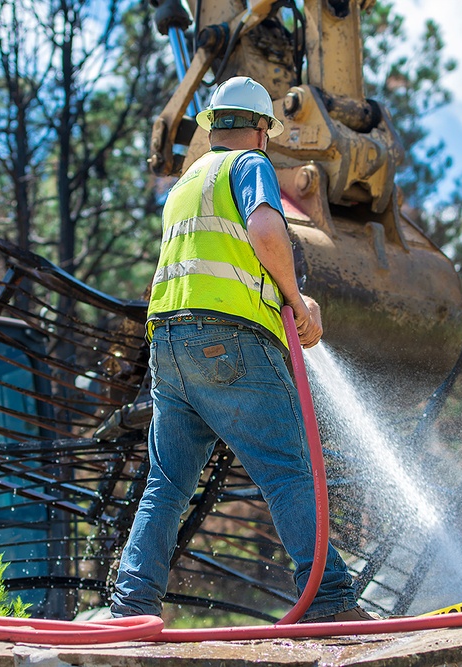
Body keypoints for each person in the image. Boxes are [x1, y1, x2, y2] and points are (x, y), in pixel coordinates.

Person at [110, 76, 372, 624]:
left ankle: (130, 604)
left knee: (166, 483)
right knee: (287, 470)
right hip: (230, 342)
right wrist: (299, 302)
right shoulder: (248, 166)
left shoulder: (183, 186)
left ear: (209, 125)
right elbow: (265, 228)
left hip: (169, 348)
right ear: (261, 130)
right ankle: (329, 603)